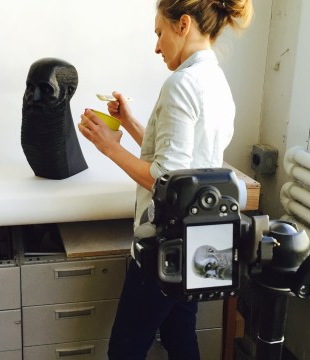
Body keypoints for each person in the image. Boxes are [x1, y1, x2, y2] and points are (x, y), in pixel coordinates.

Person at [78, 0, 253, 359]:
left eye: (159, 33)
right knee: (179, 336)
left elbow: (166, 178)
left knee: (125, 349)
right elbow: (184, 164)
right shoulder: (216, 80)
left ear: (183, 24)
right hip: (204, 241)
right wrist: (128, 123)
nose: (156, 46)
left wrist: (108, 146)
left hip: (168, 243)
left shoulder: (181, 83)